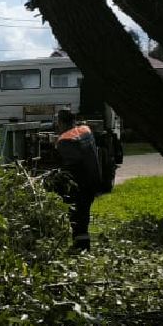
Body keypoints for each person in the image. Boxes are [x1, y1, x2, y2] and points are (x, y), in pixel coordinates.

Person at [55, 108, 101, 252]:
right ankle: (84, 244)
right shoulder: (86, 130)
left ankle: (80, 247)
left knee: (76, 214)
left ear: (61, 123)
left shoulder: (65, 140)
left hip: (80, 183)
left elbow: (70, 165)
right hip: (94, 179)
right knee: (84, 212)